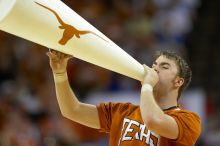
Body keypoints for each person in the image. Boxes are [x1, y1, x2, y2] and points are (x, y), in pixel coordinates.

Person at [47, 50, 201, 146]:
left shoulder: (188, 120)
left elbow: (153, 120)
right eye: (154, 65)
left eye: (164, 66)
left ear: (178, 81)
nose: (154, 69)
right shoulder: (123, 111)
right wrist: (60, 73)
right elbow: (72, 110)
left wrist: (147, 85)